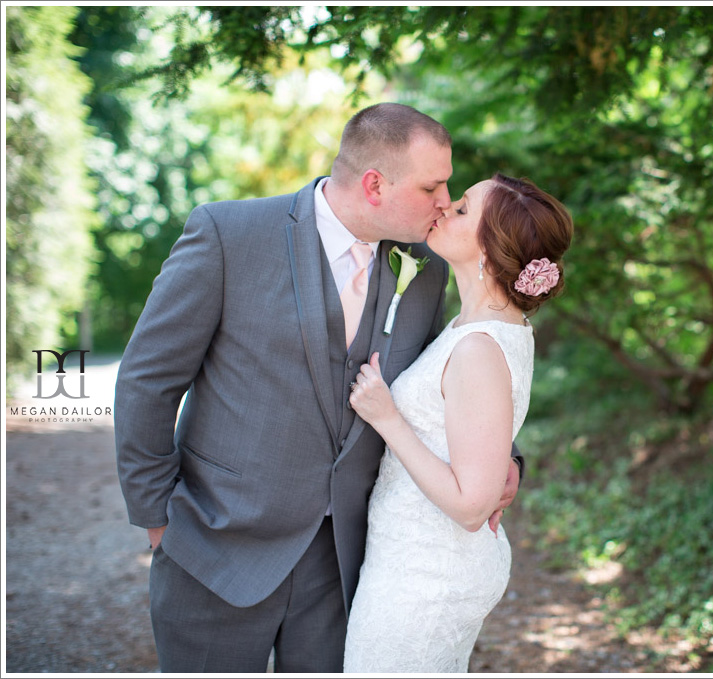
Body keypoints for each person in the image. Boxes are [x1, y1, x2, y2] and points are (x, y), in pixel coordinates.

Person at [114, 103, 521, 673]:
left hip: (346, 564)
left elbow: (445, 381)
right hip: (216, 547)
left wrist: (507, 459)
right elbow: (147, 380)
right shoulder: (230, 235)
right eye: (433, 185)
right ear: (375, 184)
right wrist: (158, 518)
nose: (444, 200)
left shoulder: (425, 270)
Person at [343, 172, 573, 672]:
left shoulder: (479, 347)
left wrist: (387, 417)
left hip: (429, 575)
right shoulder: (481, 326)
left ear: (489, 251)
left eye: (463, 209)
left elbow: (471, 507)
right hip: (415, 559)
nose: (445, 207)